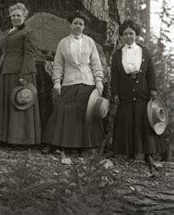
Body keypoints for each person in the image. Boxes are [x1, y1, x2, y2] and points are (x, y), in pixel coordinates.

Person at [42, 12, 105, 163]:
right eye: (75, 23)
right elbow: (58, 65)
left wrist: (99, 81)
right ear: (70, 25)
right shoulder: (63, 43)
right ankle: (56, 144)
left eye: (81, 24)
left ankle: (87, 147)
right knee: (62, 109)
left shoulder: (90, 42)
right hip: (69, 82)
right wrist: (57, 82)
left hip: (87, 82)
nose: (78, 26)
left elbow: (96, 63)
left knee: (86, 113)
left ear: (84, 27)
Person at [0, 3, 41, 146]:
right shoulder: (5, 33)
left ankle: (20, 140)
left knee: (18, 104)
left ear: (24, 16)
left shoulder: (28, 33)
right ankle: (3, 137)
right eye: (13, 15)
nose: (16, 18)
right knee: (4, 105)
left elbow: (30, 55)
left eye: (18, 15)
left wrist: (24, 76)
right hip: (3, 73)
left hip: (19, 73)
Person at [111, 19, 160, 166]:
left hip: (142, 92)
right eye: (125, 34)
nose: (128, 36)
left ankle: (148, 155)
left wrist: (153, 89)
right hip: (125, 92)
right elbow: (114, 76)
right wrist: (115, 93)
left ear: (136, 35)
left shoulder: (144, 51)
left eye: (131, 33)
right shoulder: (117, 54)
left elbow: (150, 72)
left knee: (144, 122)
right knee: (127, 121)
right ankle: (129, 153)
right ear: (121, 36)